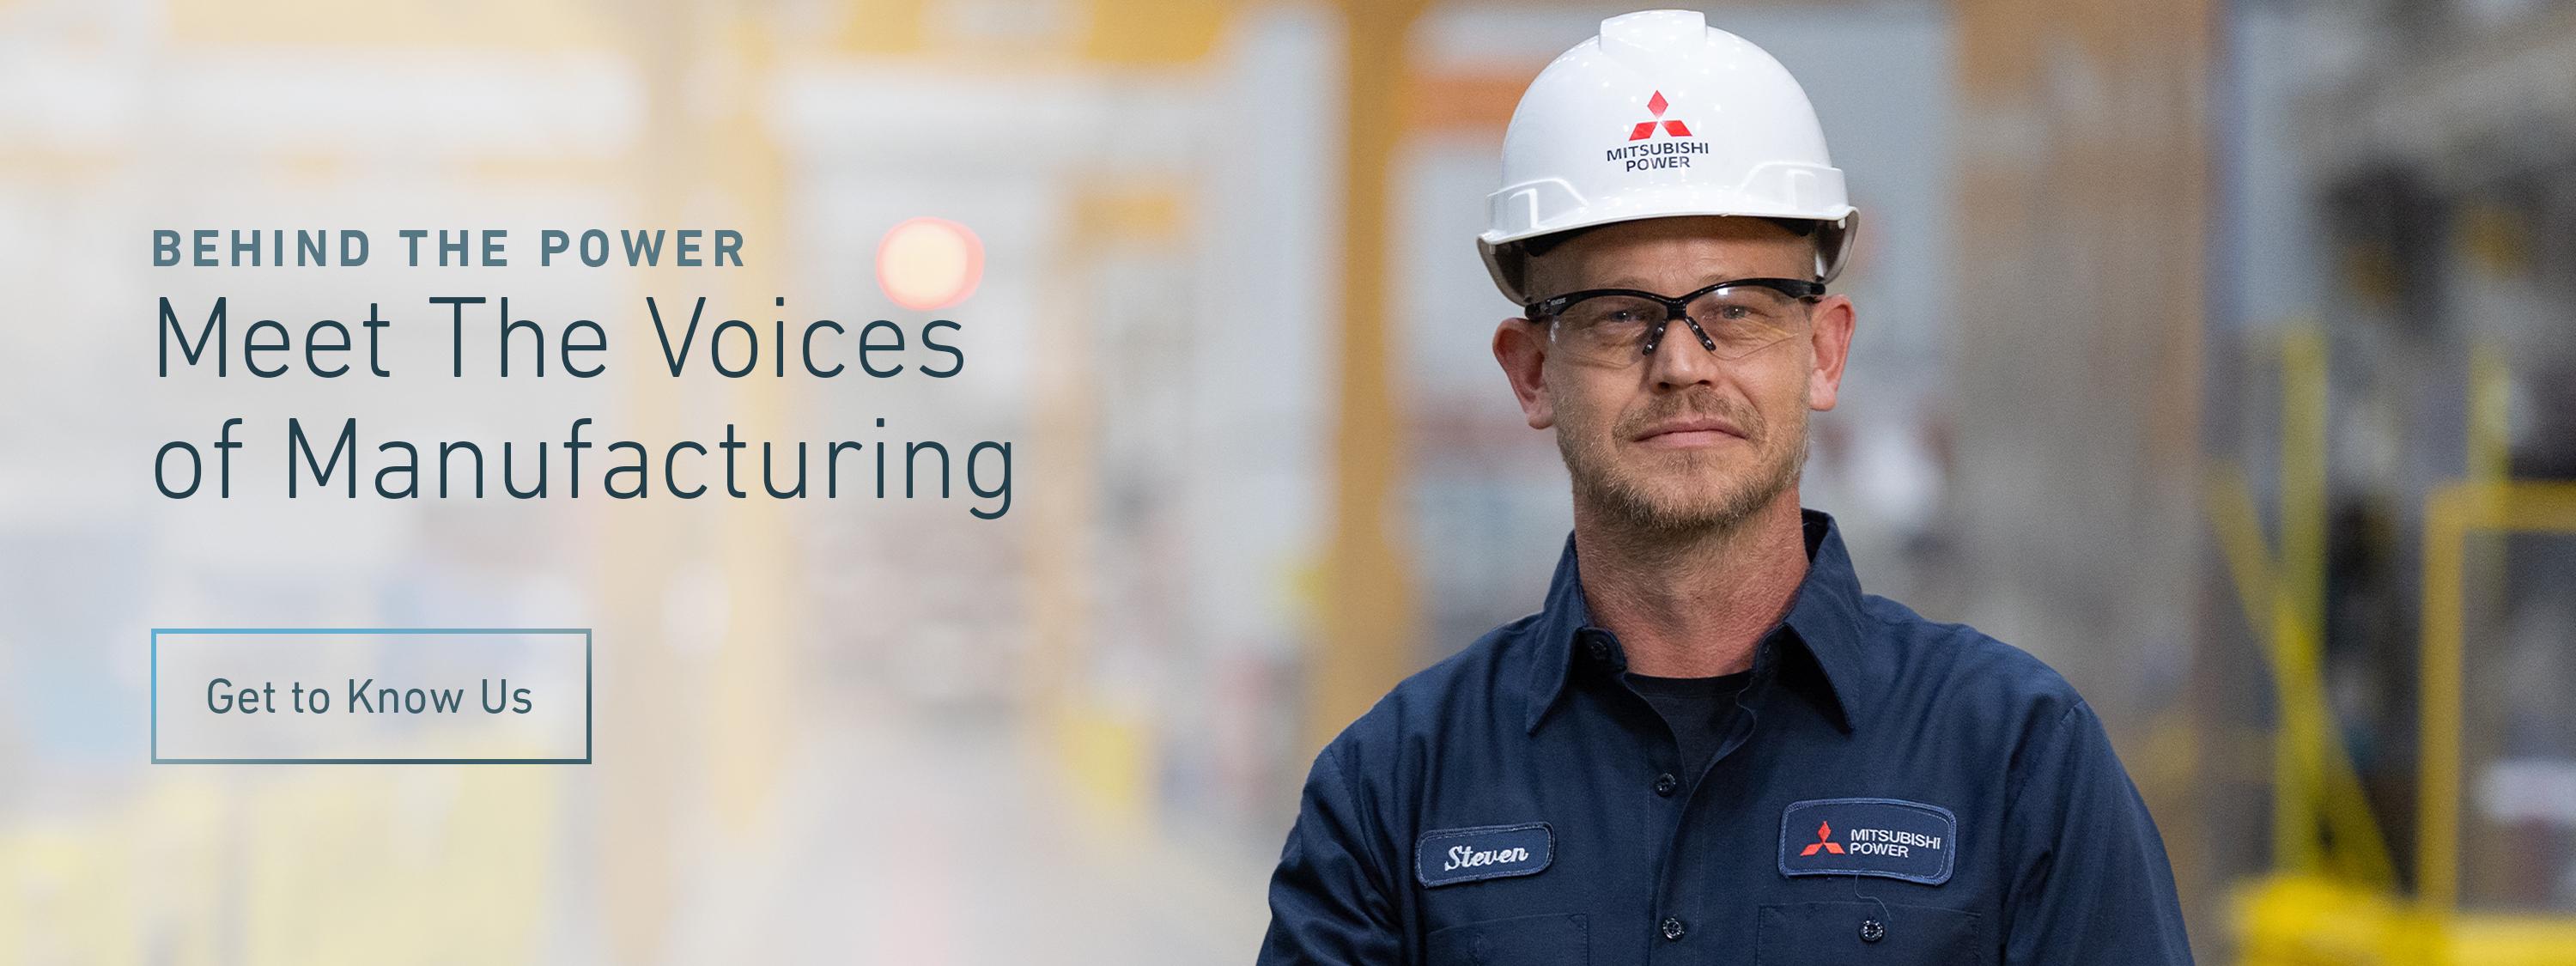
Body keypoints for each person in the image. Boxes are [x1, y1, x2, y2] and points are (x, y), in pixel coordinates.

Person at [1257, 10, 2192, 964]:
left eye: (1733, 311)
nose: (1680, 365)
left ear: (1824, 354)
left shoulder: (2019, 760)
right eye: (1620, 314)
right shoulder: (1392, 789)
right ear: (1532, 371)